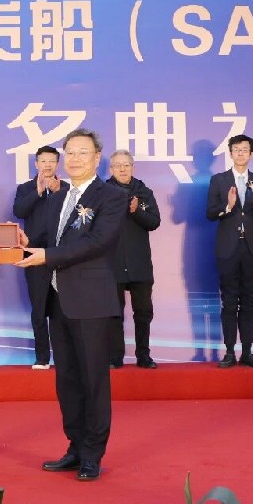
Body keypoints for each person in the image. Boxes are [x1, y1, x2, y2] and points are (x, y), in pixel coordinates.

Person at [16, 128, 126, 482]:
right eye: (71, 153)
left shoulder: (111, 196)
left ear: (97, 158)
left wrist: (46, 255)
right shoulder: (57, 195)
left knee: (93, 379)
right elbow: (49, 240)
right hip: (58, 298)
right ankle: (75, 447)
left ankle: (93, 453)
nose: (75, 158)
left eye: (83, 152)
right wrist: (24, 242)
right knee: (67, 380)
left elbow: (96, 242)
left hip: (91, 301)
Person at [205, 134, 253, 368]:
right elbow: (210, 212)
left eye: (245, 150)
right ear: (230, 153)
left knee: (249, 300)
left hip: (251, 248)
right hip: (227, 248)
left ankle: (247, 351)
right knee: (229, 301)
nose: (241, 153)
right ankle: (229, 352)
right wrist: (228, 206)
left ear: (251, 154)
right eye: (236, 149)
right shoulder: (219, 180)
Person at [12, 145, 67, 369]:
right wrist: (38, 191)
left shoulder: (67, 189)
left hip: (62, 255)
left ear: (57, 164)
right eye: (43, 161)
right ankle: (42, 357)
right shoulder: (25, 188)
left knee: (62, 310)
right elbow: (19, 211)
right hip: (33, 254)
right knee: (39, 309)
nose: (47, 165)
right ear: (36, 164)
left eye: (51, 161)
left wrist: (58, 192)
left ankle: (65, 357)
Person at [106, 149, 161, 369]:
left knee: (144, 312)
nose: (122, 169)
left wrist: (137, 211)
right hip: (113, 262)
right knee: (113, 313)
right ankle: (114, 356)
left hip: (139, 262)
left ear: (132, 167)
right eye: (118, 165)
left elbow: (154, 222)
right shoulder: (102, 192)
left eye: (126, 165)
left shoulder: (144, 192)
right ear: (111, 169)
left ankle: (143, 355)